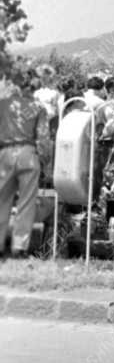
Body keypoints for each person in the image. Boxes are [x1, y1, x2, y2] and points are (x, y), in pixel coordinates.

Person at [0, 75, 52, 257]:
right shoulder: (38, 107)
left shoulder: (3, 105)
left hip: (5, 152)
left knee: (1, 200)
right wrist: (45, 161)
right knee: (26, 202)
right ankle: (19, 247)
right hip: (28, 153)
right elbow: (44, 139)